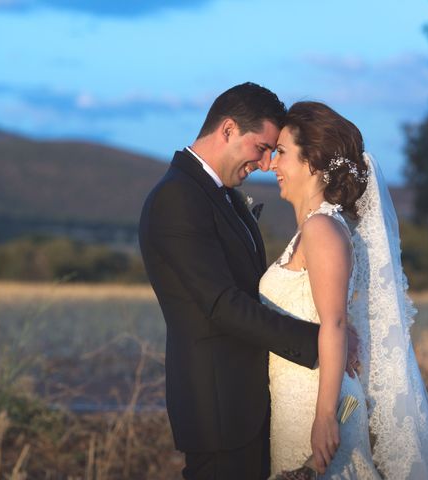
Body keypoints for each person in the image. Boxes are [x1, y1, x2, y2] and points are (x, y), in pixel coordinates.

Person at [139, 83, 336, 480]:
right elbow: (220, 304)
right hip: (217, 407)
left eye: (272, 151)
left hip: (248, 403)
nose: (266, 163)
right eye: (261, 147)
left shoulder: (222, 195)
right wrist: (321, 342)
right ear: (228, 129)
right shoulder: (177, 197)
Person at [261, 101, 428, 479]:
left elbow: (334, 324)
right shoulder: (311, 231)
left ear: (313, 162)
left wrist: (323, 418)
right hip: (295, 398)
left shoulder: (321, 230)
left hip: (318, 403)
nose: (271, 165)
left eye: (282, 153)